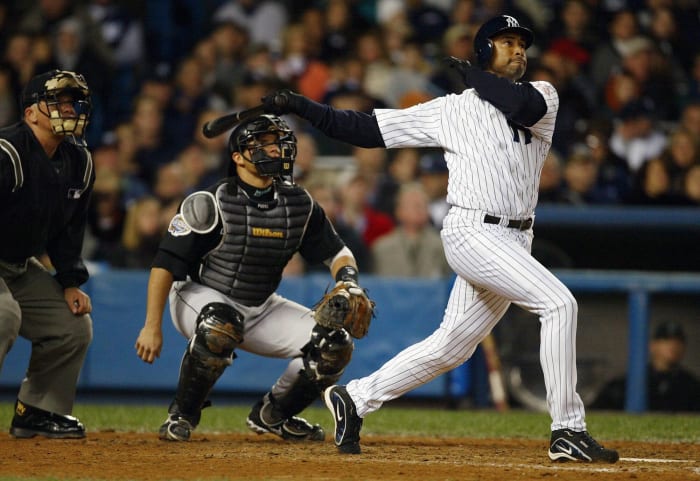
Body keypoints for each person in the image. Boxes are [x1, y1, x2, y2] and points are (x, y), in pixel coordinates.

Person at [261, 15, 619, 463]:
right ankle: (568, 428)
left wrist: (473, 73)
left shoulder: (543, 95)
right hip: (473, 231)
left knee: (451, 346)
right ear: (484, 49)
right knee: (559, 303)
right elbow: (366, 129)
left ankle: (354, 397)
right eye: (505, 42)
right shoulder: (450, 110)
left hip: (515, 239)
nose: (518, 50)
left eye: (520, 43)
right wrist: (304, 106)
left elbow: (518, 106)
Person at [134, 114, 365, 443]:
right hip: (199, 294)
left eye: (279, 141)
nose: (276, 149)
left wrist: (348, 280)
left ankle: (274, 415)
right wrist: (151, 325)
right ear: (238, 156)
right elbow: (164, 265)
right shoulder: (209, 201)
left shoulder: (299, 203)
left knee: (335, 344)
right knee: (219, 324)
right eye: (266, 142)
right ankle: (181, 415)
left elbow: (336, 251)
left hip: (260, 303)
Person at [0, 69, 95, 438]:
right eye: (57, 100)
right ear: (31, 113)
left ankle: (37, 412)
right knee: (4, 314)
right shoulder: (7, 152)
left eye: (73, 101)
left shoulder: (79, 160)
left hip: (19, 265)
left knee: (72, 326)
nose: (69, 108)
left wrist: (70, 281)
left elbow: (69, 230)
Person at [592, 321, 700, 412]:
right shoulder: (627, 382)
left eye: (678, 342)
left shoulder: (691, 385)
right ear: (652, 345)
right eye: (666, 340)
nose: (673, 345)